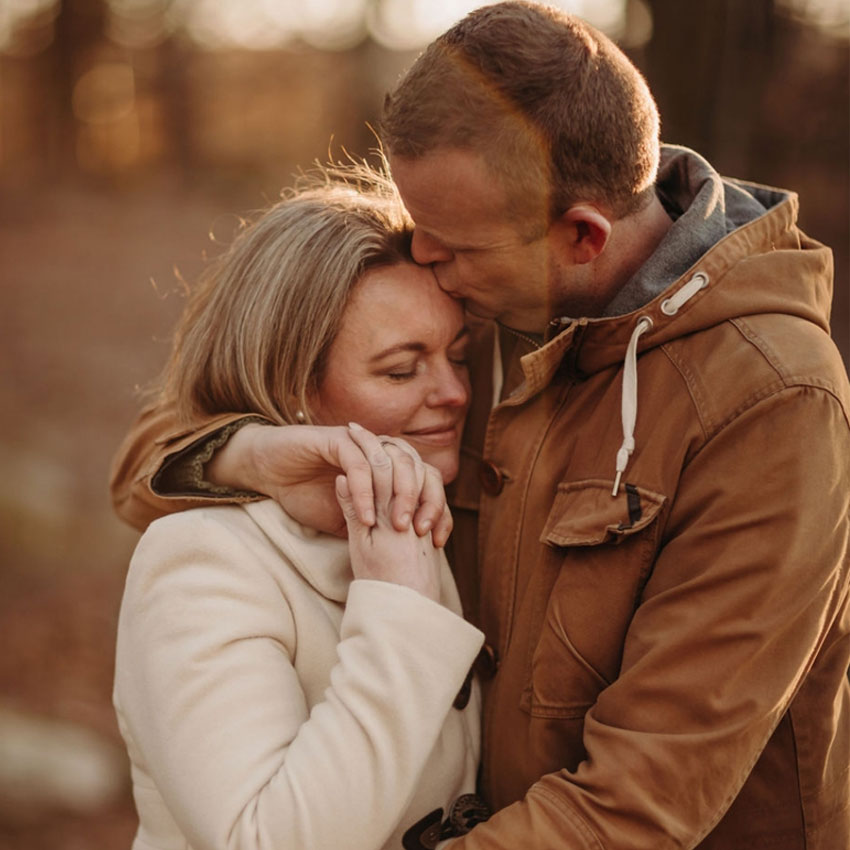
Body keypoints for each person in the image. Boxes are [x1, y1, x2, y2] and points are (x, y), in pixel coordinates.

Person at [110, 3, 850, 848]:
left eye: (449, 246)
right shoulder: (485, 294)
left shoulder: (769, 399)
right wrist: (259, 451)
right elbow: (149, 457)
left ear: (580, 235)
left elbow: (638, 803)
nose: (423, 259)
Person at [112, 166, 490, 850]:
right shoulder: (204, 563)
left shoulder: (446, 510)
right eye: (401, 369)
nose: (454, 393)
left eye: (458, 358)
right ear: (294, 391)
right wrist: (399, 607)